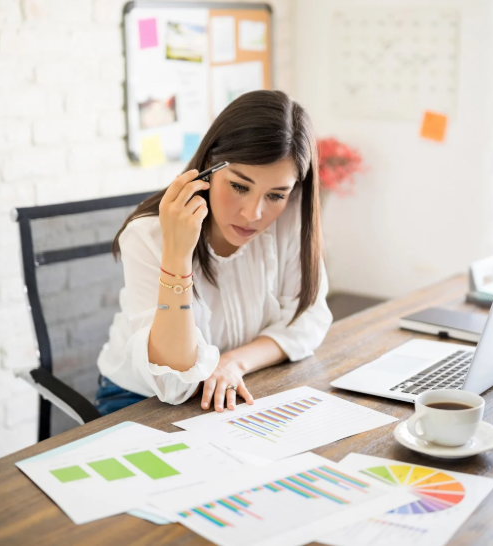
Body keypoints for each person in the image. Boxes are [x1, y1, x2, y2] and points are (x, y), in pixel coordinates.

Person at [95, 90, 333, 416]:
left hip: (238, 385)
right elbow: (173, 381)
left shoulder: (291, 215)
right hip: (141, 401)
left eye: (276, 195)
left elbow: (309, 318)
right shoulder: (147, 235)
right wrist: (177, 255)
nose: (253, 213)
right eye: (239, 186)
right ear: (208, 165)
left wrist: (233, 362)